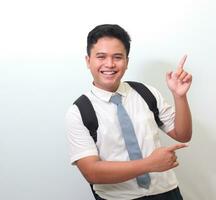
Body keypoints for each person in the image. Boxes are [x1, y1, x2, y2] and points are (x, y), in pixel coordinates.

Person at [65, 24, 193, 200]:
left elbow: (183, 135)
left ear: (127, 61)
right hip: (118, 197)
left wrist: (180, 97)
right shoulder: (79, 111)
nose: (109, 64)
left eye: (117, 57)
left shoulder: (146, 92)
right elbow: (92, 172)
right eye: (101, 57)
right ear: (88, 61)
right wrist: (149, 164)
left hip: (166, 192)